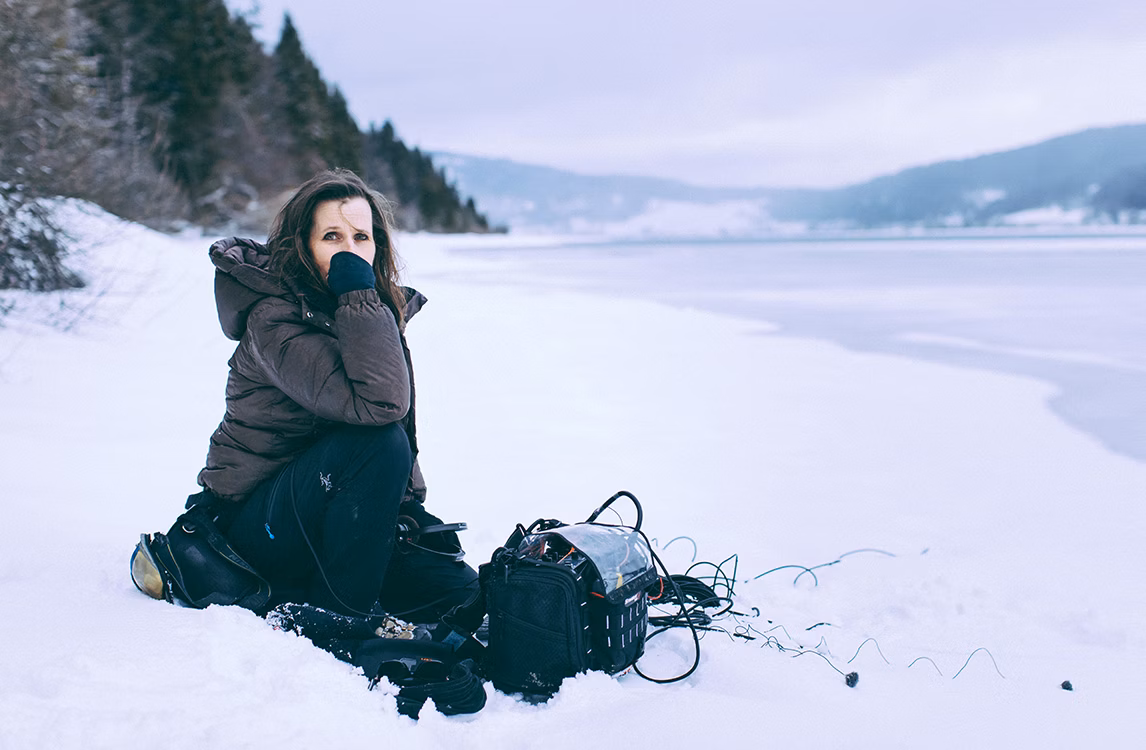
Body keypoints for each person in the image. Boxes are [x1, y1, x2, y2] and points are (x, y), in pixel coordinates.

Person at [195, 168, 477, 623]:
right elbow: (382, 406)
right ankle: (343, 618)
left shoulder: (355, 312)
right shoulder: (274, 320)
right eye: (331, 236)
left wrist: (406, 516)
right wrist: (359, 294)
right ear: (301, 246)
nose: (350, 251)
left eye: (361, 238)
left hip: (327, 516)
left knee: (464, 599)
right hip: (253, 531)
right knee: (379, 439)